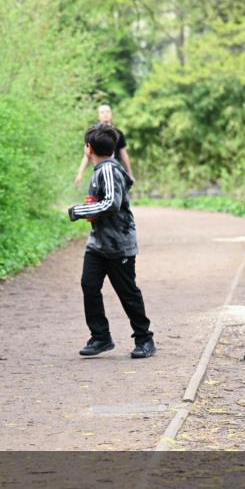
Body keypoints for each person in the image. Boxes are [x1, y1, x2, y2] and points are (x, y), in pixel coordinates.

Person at [68, 123, 155, 359]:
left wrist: (79, 210)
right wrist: (91, 208)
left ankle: (144, 339)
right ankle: (101, 337)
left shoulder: (108, 169)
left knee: (127, 292)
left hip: (119, 245)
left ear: (88, 148)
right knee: (89, 285)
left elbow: (111, 204)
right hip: (98, 244)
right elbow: (102, 203)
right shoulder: (100, 171)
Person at [74, 104, 133, 187]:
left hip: (114, 169)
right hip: (100, 169)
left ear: (111, 114)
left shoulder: (118, 134)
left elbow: (124, 155)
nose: (105, 114)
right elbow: (87, 155)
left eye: (108, 111)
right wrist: (80, 173)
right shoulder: (94, 134)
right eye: (102, 112)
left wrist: (130, 173)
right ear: (98, 116)